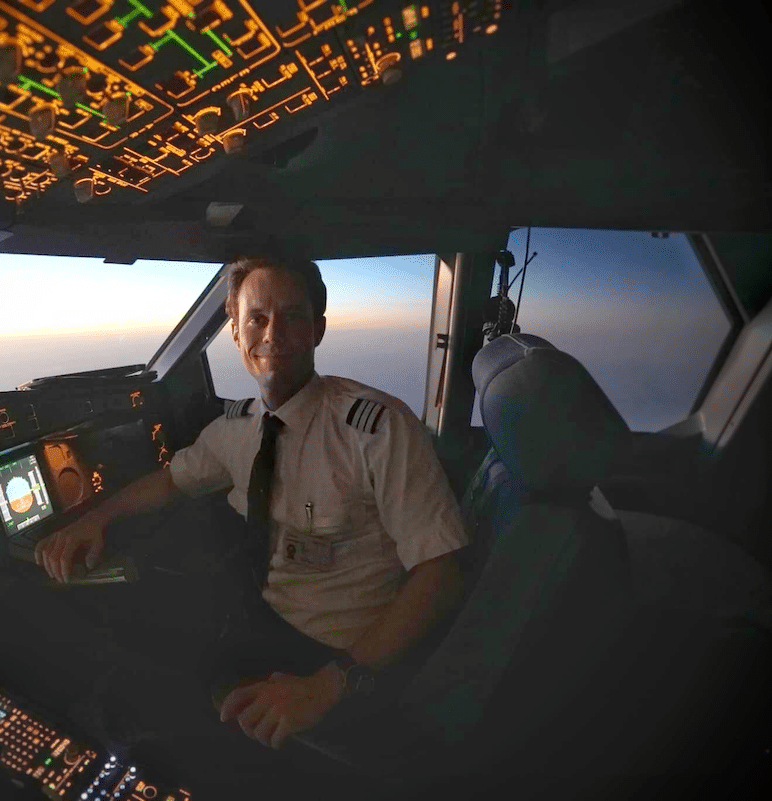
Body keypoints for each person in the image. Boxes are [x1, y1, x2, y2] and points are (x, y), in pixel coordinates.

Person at [34, 253, 468, 754]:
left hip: (340, 655)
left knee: (158, 727)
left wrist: (329, 685)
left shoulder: (378, 430)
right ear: (236, 334)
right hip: (258, 614)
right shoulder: (236, 431)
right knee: (131, 652)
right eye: (257, 318)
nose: (273, 334)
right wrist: (97, 518)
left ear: (318, 330)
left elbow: (441, 575)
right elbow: (171, 482)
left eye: (293, 316)